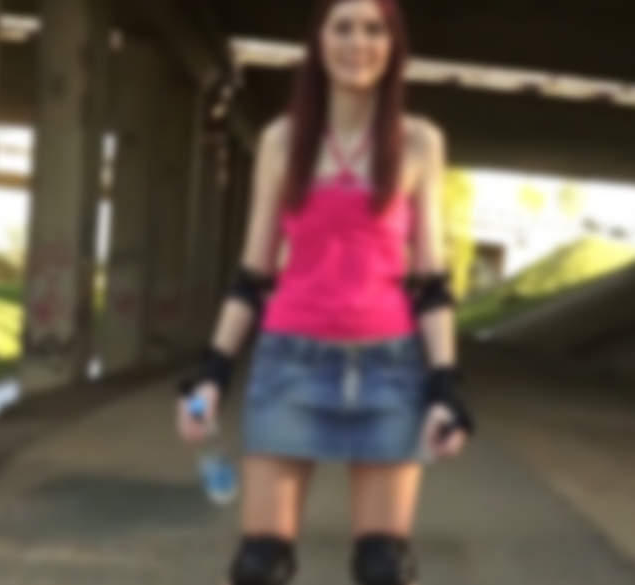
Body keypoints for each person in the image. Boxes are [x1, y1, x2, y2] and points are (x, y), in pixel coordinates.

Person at [176, 1, 476, 583]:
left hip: (389, 370)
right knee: (259, 567)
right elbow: (253, 274)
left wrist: (445, 387)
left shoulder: (419, 142)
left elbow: (431, 282)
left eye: (373, 29)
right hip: (290, 364)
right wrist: (212, 373)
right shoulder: (281, 140)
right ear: (317, 41)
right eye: (342, 27)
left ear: (393, 46)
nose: (357, 42)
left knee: (383, 568)